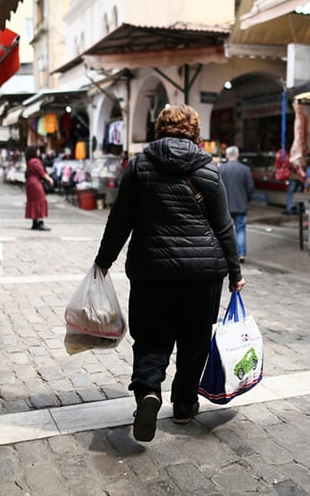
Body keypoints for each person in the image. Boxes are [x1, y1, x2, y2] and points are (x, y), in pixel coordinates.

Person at [94, 104, 245, 442]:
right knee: (194, 341)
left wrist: (103, 261)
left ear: (158, 129)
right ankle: (183, 404)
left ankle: (148, 391)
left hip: (152, 272)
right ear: (195, 132)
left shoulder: (140, 165)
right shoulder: (207, 167)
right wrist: (235, 273)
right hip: (202, 274)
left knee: (150, 338)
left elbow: (120, 220)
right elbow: (223, 226)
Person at [219, 146, 254, 263]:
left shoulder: (221, 169)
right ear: (238, 155)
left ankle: (225, 253)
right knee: (240, 230)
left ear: (227, 156)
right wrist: (246, 200)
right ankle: (241, 254)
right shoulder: (245, 169)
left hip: (224, 206)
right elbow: (250, 188)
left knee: (224, 231)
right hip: (240, 205)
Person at [24, 146, 55, 230]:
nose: (39, 152)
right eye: (37, 150)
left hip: (30, 182)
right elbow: (41, 172)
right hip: (35, 183)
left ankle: (35, 222)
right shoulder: (35, 161)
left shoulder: (30, 161)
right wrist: (49, 179)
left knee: (33, 202)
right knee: (40, 201)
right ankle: (40, 222)